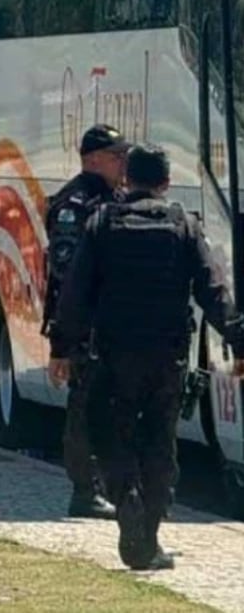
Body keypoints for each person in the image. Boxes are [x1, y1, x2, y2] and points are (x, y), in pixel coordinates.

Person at [52, 143, 244, 571]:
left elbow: (75, 294)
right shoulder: (184, 226)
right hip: (166, 358)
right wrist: (239, 340)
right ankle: (148, 540)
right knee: (160, 443)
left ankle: (127, 502)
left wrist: (63, 347)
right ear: (165, 182)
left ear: (128, 179)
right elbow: (213, 292)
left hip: (113, 355)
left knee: (109, 437)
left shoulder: (102, 223)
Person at [43, 123, 129, 520]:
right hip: (85, 323)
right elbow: (66, 269)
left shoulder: (114, 197)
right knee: (85, 404)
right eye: (117, 156)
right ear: (93, 160)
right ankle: (85, 490)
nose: (123, 163)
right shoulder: (75, 203)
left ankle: (116, 485)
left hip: (114, 320)